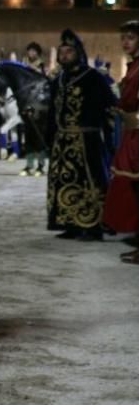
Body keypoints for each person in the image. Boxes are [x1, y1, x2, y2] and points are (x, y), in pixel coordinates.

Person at [46, 29, 116, 241]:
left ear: (78, 53)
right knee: (63, 181)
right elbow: (53, 110)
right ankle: (70, 223)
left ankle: (93, 226)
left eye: (69, 51)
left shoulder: (92, 77)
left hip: (86, 140)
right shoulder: (58, 80)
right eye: (62, 51)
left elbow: (109, 105)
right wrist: (50, 135)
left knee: (89, 180)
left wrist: (105, 131)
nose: (64, 55)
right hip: (62, 140)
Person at [104, 21, 139, 262]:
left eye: (131, 37)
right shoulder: (133, 66)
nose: (126, 42)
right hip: (132, 132)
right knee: (131, 189)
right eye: (123, 37)